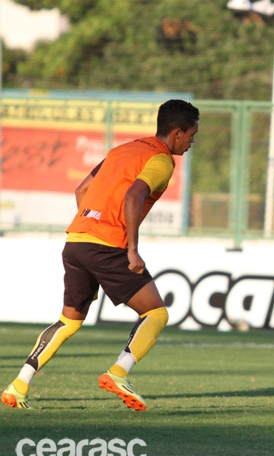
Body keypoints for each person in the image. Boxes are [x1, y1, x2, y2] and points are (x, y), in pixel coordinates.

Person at [2, 99, 199, 412]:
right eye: (192, 135)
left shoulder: (122, 149)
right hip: (107, 245)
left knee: (69, 320)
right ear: (177, 132)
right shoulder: (161, 160)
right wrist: (131, 248)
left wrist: (91, 225)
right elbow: (135, 195)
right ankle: (118, 372)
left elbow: (82, 189)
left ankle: (18, 384)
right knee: (156, 313)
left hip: (77, 240)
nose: (192, 142)